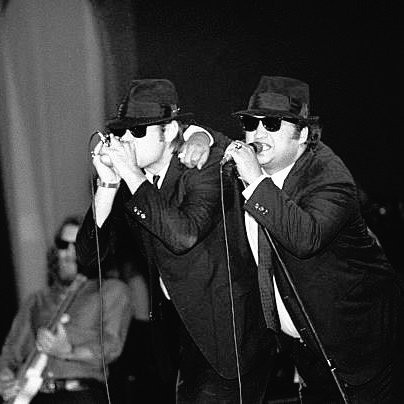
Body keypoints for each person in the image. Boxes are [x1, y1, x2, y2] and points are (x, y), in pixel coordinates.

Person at [76, 78, 276, 403]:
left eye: (138, 131)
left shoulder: (206, 165)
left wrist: (133, 174)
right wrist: (107, 186)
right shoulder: (131, 181)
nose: (126, 141)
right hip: (179, 337)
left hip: (230, 335)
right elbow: (88, 256)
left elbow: (183, 235)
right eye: (122, 132)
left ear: (169, 131)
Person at [218, 75, 402, 403]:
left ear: (302, 134)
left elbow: (305, 238)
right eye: (250, 122)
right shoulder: (245, 175)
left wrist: (257, 181)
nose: (257, 133)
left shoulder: (329, 177)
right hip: (307, 351)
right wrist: (199, 136)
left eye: (272, 124)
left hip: (362, 352)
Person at [0, 216, 132, 403]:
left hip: (81, 395)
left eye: (77, 244)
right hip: (36, 395)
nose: (69, 252)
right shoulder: (37, 300)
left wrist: (69, 351)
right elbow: (11, 352)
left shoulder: (112, 290)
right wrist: (4, 377)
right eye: (63, 244)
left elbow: (112, 346)